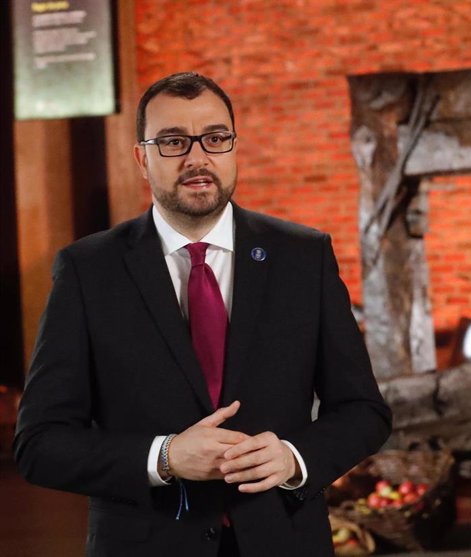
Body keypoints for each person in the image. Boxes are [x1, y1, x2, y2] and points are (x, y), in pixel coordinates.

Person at [14, 72, 392, 557]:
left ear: (234, 147)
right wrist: (164, 456)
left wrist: (293, 458)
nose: (198, 158)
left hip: (283, 541)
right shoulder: (88, 271)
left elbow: (364, 411)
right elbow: (40, 444)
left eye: (215, 138)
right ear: (141, 159)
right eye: (173, 141)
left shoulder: (304, 257)